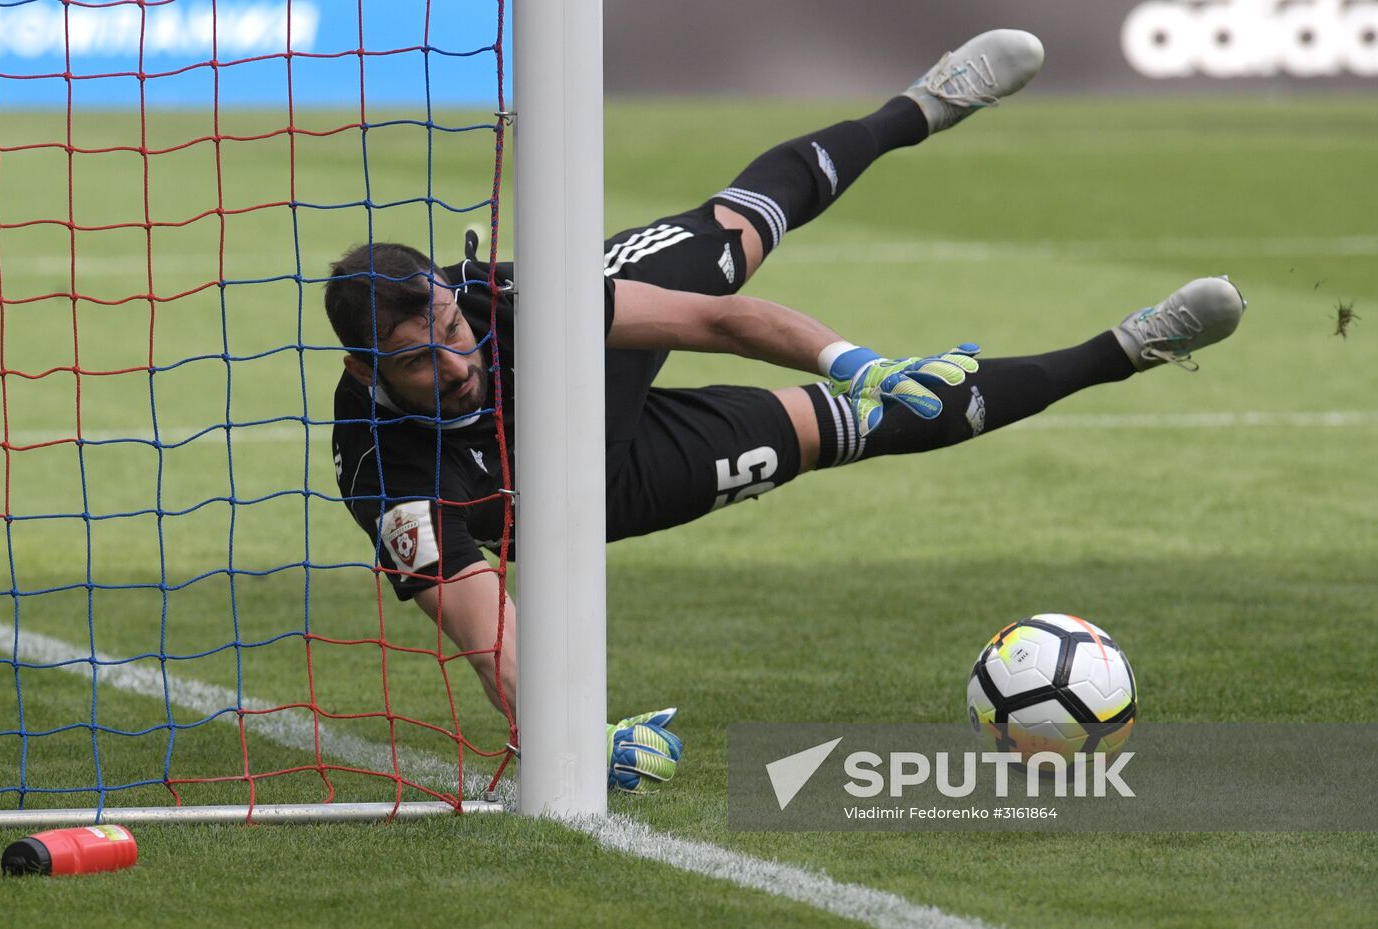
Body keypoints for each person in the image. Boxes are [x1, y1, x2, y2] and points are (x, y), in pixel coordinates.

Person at [324, 30, 1246, 792]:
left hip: (580, 378)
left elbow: (717, 321)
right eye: (416, 359)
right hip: (581, 488)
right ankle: (1125, 351)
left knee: (731, 237)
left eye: (448, 327)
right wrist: (571, 737)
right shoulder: (388, 474)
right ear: (369, 377)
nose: (453, 362)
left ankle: (920, 107)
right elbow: (492, 636)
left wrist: (857, 360)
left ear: (453, 291)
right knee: (837, 429)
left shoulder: (501, 299)